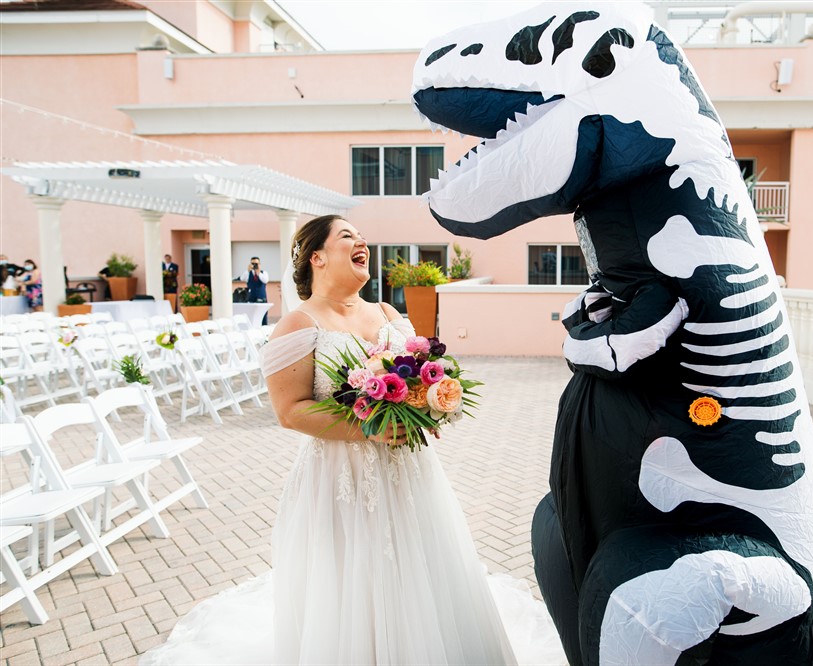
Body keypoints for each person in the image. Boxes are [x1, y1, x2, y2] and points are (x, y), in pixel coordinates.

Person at [140, 215, 564, 666]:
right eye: (347, 236)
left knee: (418, 574)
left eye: (362, 235)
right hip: (340, 481)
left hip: (409, 475)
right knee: (352, 588)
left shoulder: (388, 314)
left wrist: (430, 403)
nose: (362, 240)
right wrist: (368, 426)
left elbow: (420, 376)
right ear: (317, 257)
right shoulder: (298, 325)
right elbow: (289, 411)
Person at [236, 256, 269, 324]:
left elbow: (265, 280)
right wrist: (248, 270)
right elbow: (242, 278)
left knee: (263, 317)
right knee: (251, 317)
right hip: (251, 298)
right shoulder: (248, 273)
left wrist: (258, 272)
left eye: (256, 264)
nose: (254, 265)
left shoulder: (264, 273)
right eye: (253, 263)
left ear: (259, 264)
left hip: (261, 298)